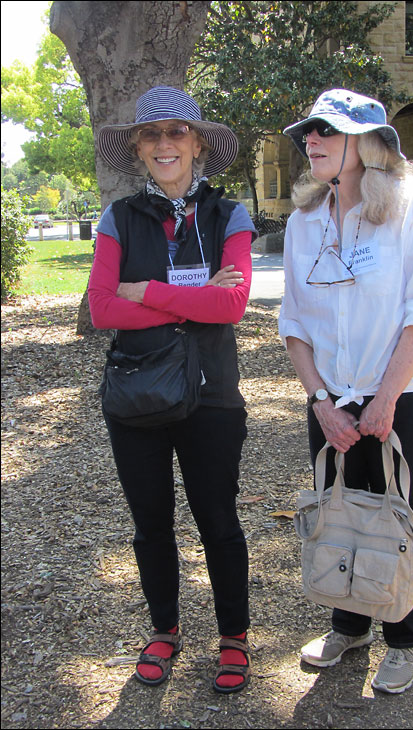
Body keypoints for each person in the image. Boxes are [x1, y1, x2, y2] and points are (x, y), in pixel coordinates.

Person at [279, 89, 413, 694]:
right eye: (309, 131)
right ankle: (348, 624)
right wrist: (321, 402)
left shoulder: (408, 208)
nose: (311, 140)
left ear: (367, 142)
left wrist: (384, 400)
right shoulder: (303, 221)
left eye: (326, 129)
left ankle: (405, 639)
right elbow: (295, 324)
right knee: (341, 511)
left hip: (402, 395)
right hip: (331, 397)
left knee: (400, 518)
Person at [88, 86, 257, 693]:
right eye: (151, 135)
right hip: (136, 395)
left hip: (211, 395)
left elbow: (232, 304)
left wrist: (150, 292)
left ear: (198, 144)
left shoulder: (228, 214)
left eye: (176, 133)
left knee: (218, 518)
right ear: (137, 147)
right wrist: (194, 302)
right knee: (151, 523)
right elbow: (103, 309)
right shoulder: (119, 217)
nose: (165, 144)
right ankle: (164, 629)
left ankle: (234, 636)